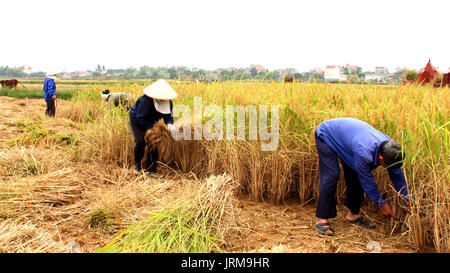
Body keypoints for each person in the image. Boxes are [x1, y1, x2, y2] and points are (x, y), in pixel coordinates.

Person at [314, 117, 409, 236]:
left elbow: (397, 175)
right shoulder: (364, 151)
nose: (388, 168)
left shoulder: (391, 150)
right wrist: (381, 203)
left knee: (355, 174)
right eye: (387, 165)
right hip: (327, 135)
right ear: (380, 158)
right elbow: (366, 179)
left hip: (349, 141)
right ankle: (321, 219)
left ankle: (353, 215)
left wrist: (407, 199)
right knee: (332, 175)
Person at [129, 79, 177, 173]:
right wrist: (152, 128)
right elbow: (141, 117)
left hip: (152, 121)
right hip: (137, 120)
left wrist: (170, 125)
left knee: (154, 143)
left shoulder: (168, 102)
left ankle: (151, 170)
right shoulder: (146, 100)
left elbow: (168, 116)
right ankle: (137, 166)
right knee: (141, 142)